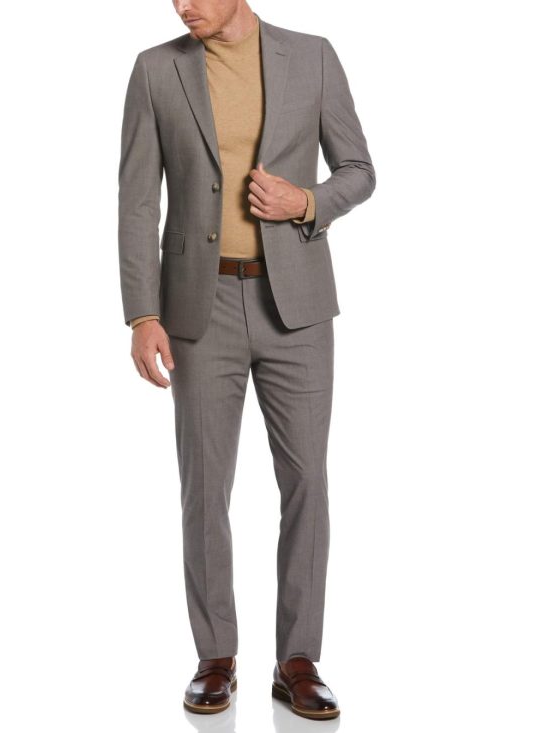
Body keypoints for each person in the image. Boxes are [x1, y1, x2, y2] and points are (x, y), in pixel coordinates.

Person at [118, 0, 375, 719]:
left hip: (297, 306)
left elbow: (359, 169)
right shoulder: (155, 70)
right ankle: (216, 656)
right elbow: (137, 201)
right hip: (197, 308)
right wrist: (142, 313)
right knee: (204, 486)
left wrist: (306, 201)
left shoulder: (313, 56)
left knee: (307, 480)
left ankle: (298, 659)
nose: (183, 4)